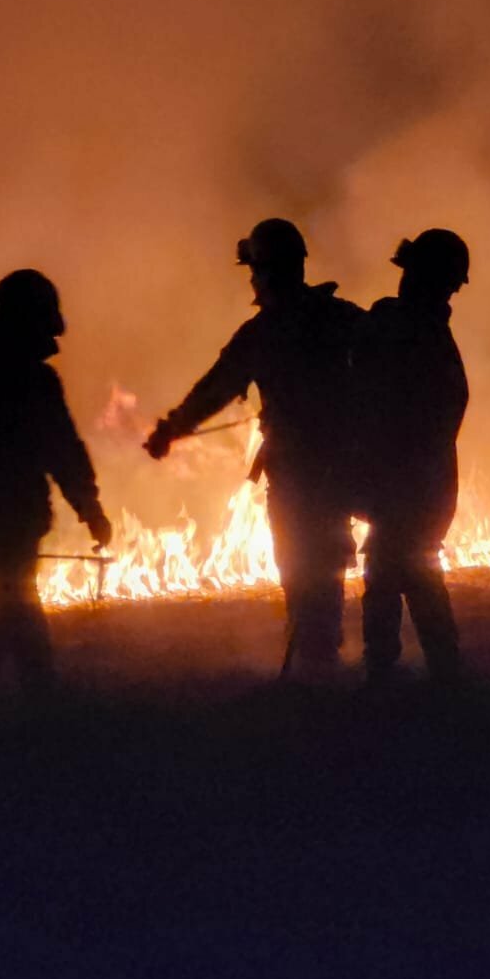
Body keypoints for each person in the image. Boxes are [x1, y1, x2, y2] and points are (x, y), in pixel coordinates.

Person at [145, 218, 364, 682]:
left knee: (302, 560)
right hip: (340, 465)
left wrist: (171, 429)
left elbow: (214, 390)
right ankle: (322, 650)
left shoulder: (264, 334)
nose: (251, 280)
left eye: (255, 270)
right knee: (325, 559)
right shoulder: (343, 318)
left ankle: (315, 655)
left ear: (268, 272)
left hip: (298, 471)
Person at [0, 269, 112, 694]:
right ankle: (32, 697)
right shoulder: (33, 382)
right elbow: (64, 453)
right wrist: (90, 511)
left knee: (8, 612)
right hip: (10, 522)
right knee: (17, 612)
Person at [354, 228, 470, 684]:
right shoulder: (419, 332)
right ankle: (433, 669)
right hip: (423, 485)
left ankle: (400, 671)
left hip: (412, 486)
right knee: (400, 571)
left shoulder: (410, 334)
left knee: (398, 573)